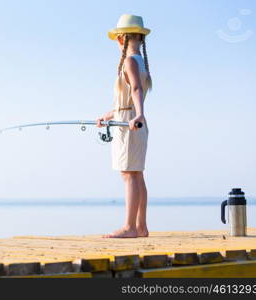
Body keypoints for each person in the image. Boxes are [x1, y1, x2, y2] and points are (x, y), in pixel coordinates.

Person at [96, 14, 152, 238]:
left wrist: (139, 115)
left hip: (131, 125)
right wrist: (107, 116)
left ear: (121, 39)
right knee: (136, 174)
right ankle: (141, 226)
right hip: (130, 120)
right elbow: (126, 101)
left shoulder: (129, 61)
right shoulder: (141, 62)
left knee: (129, 175)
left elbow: (136, 90)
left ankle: (129, 227)